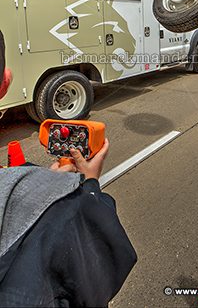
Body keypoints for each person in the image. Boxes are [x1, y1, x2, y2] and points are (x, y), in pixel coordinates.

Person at [0, 30, 137, 307]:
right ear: (6, 82)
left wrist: (41, 183)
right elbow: (101, 275)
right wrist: (88, 186)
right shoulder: (63, 212)